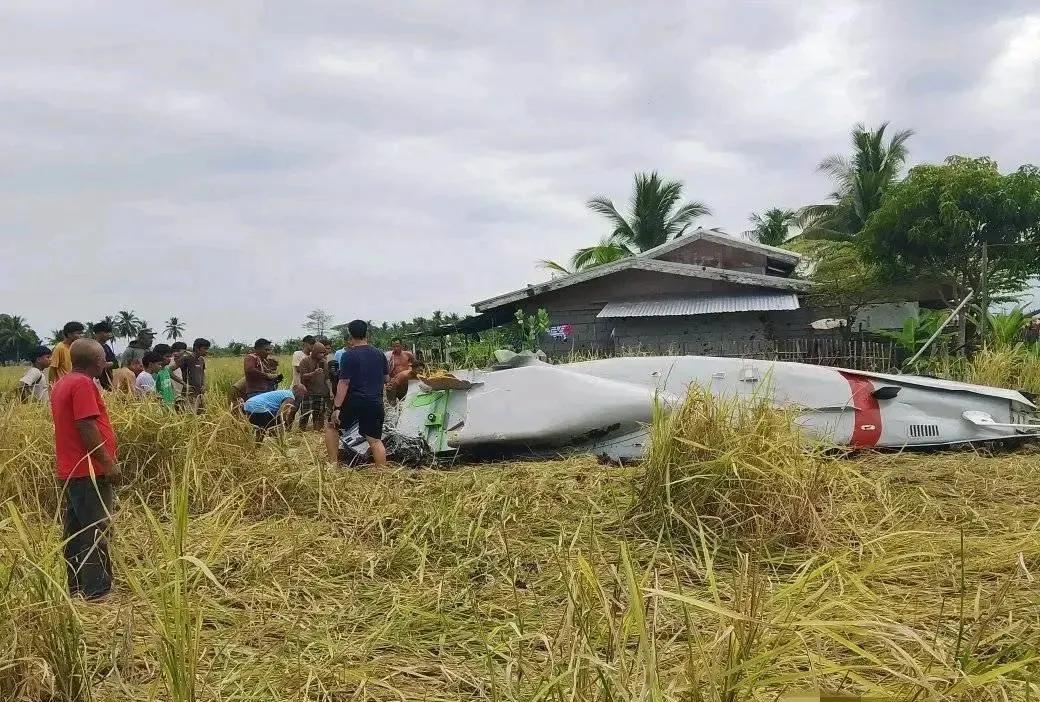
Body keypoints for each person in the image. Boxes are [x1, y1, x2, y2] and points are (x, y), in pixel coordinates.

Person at [50, 338, 119, 600]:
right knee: (95, 529)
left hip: (71, 469)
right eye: (103, 358)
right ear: (97, 361)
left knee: (76, 531)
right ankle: (97, 591)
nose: (105, 361)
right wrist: (107, 463)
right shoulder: (82, 384)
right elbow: (86, 426)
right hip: (88, 470)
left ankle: (77, 586)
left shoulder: (63, 382)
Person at [326, 320, 389, 467]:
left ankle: (333, 465)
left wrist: (337, 408)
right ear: (366, 333)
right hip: (375, 402)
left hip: (354, 401)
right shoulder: (380, 354)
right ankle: (384, 475)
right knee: (374, 440)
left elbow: (344, 382)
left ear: (350, 334)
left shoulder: (349, 355)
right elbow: (386, 378)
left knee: (331, 426)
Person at [242, 384, 307, 439]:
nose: (303, 396)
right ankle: (271, 440)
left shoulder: (284, 392)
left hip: (248, 405)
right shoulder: (290, 397)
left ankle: (251, 441)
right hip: (258, 407)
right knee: (271, 424)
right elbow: (281, 414)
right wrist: (286, 425)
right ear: (298, 391)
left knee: (260, 425)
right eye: (303, 394)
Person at [297, 342, 331, 430]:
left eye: (323, 353)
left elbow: (327, 378)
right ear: (315, 352)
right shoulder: (305, 361)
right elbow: (303, 376)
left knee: (319, 415)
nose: (322, 355)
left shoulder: (324, 362)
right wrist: (314, 373)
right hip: (308, 393)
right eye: (320, 353)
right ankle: (301, 432)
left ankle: (317, 432)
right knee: (305, 414)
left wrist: (330, 391)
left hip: (320, 393)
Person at [178, 338, 211, 412]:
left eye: (207, 349)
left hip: (200, 394)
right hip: (189, 394)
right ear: (197, 348)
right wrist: (184, 384)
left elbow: (202, 373)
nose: (206, 351)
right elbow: (170, 370)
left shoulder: (201, 360)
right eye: (205, 349)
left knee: (201, 415)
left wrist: (204, 385)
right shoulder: (187, 359)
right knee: (190, 416)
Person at [385, 338, 416, 403]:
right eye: (393, 346)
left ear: (401, 345)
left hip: (406, 383)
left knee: (407, 402)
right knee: (393, 404)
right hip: (394, 383)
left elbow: (415, 365)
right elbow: (385, 370)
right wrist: (387, 382)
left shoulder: (408, 354)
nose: (396, 348)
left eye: (397, 345)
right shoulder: (389, 356)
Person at [93, 321, 118, 391]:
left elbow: (116, 364)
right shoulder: (92, 347)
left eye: (109, 332)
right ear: (98, 333)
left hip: (108, 382)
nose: (109, 334)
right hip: (96, 382)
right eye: (106, 332)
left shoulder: (106, 347)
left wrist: (105, 364)